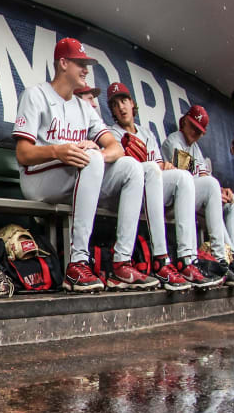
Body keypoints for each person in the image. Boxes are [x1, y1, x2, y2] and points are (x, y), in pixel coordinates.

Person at [11, 38, 153, 292]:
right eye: (81, 63)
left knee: (131, 167)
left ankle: (121, 263)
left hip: (74, 175)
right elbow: (22, 154)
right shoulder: (35, 95)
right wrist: (58, 150)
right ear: (63, 63)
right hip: (38, 180)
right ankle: (77, 264)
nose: (86, 70)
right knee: (93, 158)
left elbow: (116, 147)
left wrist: (95, 150)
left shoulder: (83, 107)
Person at [102, 82, 210, 290]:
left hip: (149, 188)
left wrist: (166, 166)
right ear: (112, 110)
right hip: (125, 193)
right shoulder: (112, 133)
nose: (121, 107)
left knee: (182, 177)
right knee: (150, 169)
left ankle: (187, 260)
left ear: (133, 103)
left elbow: (158, 164)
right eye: (115, 104)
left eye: (124, 101)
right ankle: (161, 260)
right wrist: (153, 166)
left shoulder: (147, 133)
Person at [161, 104, 234, 278]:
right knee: (211, 187)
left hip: (195, 197)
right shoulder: (174, 141)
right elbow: (191, 178)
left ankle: (233, 255)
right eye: (192, 126)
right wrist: (214, 189)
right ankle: (222, 256)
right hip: (174, 198)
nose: (195, 133)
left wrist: (221, 191)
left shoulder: (195, 148)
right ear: (184, 122)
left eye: (199, 131)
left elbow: (204, 176)